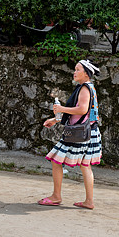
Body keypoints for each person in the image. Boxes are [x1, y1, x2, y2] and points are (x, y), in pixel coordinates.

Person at [38, 59, 101, 209]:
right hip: (89, 132)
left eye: (78, 70)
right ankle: (89, 201)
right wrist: (55, 119)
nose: (74, 72)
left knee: (55, 160)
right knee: (85, 165)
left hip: (79, 134)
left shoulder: (84, 88)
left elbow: (82, 110)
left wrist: (61, 110)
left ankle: (56, 196)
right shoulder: (88, 87)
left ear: (86, 74)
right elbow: (82, 113)